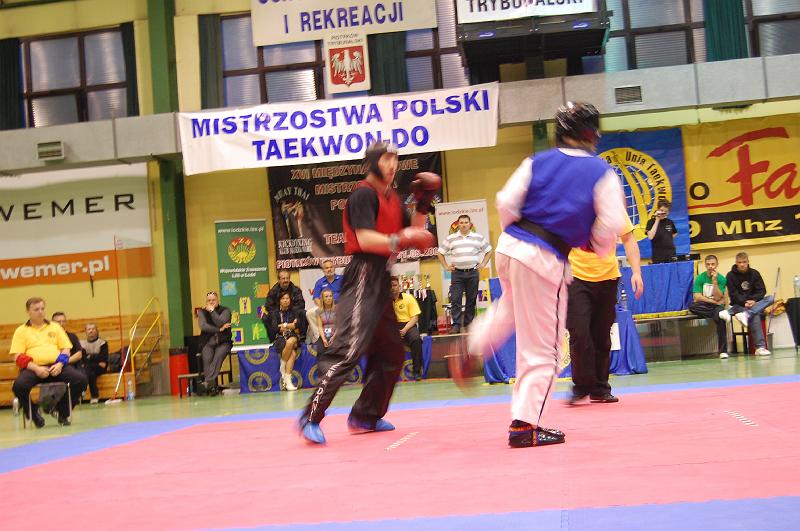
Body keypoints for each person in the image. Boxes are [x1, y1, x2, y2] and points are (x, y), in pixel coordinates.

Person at [468, 102, 626, 448]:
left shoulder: (536, 161)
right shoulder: (601, 172)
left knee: (512, 306)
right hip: (544, 257)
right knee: (544, 349)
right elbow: (609, 224)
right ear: (592, 134)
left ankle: (474, 345)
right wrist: (594, 245)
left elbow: (505, 202)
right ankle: (525, 426)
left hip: (510, 247)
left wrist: (522, 234)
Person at [299, 141, 435, 444]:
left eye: (395, 159)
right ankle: (311, 416)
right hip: (363, 273)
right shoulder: (363, 194)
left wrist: (423, 203)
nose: (393, 164)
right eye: (386, 159)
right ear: (373, 162)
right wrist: (401, 238)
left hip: (383, 277)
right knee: (349, 349)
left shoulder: (393, 199)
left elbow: (415, 233)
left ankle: (366, 415)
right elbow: (364, 239)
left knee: (391, 352)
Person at [567, 217, 644, 404]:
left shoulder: (613, 209)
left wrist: (636, 272)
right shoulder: (571, 206)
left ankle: (600, 388)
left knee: (601, 335)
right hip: (576, 277)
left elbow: (628, 238)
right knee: (579, 332)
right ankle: (581, 386)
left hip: (608, 278)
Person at [10, 297, 88, 427]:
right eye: (36, 309)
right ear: (28, 312)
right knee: (18, 386)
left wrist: (60, 364)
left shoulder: (55, 327)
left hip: (56, 366)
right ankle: (33, 412)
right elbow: (17, 356)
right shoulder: (21, 330)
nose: (40, 312)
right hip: (33, 368)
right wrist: (36, 369)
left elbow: (66, 349)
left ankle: (62, 411)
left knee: (81, 380)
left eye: (42, 308)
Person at [437, 214, 492, 333]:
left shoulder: (478, 237)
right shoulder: (451, 238)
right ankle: (456, 325)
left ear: (470, 224)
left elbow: (489, 251)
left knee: (471, 299)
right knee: (455, 299)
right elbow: (440, 253)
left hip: (473, 272)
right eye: (461, 223)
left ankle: (468, 323)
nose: (463, 225)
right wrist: (446, 266)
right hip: (457, 273)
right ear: (457, 224)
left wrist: (483, 264)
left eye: (466, 222)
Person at [719, 252, 773, 356]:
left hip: (754, 303)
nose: (742, 264)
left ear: (748, 262)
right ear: (736, 263)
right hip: (738, 305)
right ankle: (760, 347)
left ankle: (747, 313)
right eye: (739, 262)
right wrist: (745, 302)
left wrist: (753, 300)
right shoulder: (730, 275)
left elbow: (762, 290)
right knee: (755, 314)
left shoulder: (754, 273)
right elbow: (733, 294)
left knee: (771, 298)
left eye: (744, 262)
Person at [688, 255, 730, 359]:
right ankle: (718, 313)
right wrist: (714, 302)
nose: (710, 266)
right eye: (708, 264)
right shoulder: (700, 278)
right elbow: (697, 297)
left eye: (713, 264)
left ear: (717, 265)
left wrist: (714, 282)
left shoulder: (721, 279)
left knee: (720, 318)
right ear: (705, 265)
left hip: (716, 307)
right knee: (692, 306)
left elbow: (718, 296)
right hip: (707, 305)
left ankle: (723, 351)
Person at [196, 291, 233, 396]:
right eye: (209, 300)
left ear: (218, 301)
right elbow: (203, 326)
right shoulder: (202, 312)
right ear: (206, 302)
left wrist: (212, 312)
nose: (211, 302)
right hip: (207, 342)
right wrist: (219, 329)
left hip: (223, 342)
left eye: (213, 300)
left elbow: (221, 322)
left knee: (218, 356)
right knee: (207, 359)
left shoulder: (225, 311)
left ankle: (207, 384)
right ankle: (211, 386)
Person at [265, 292, 301, 391]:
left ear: (290, 300)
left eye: (287, 298)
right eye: (283, 298)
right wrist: (290, 325)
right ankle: (288, 381)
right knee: (292, 354)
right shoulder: (275, 313)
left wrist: (284, 325)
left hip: (293, 336)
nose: (285, 300)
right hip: (280, 337)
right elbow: (275, 328)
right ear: (279, 301)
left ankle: (283, 365)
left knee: (291, 341)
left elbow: (296, 326)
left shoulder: (294, 311)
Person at [391, 276, 424, 381]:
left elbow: (415, 317)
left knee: (416, 340)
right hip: (392, 326)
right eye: (390, 286)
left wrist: (405, 329)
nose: (392, 288)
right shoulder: (384, 301)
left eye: (395, 285)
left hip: (408, 325)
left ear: (399, 286)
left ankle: (417, 372)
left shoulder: (409, 298)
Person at [265, 269, 307, 337]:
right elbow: (268, 306)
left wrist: (293, 314)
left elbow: (301, 304)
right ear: (279, 280)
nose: (286, 280)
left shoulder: (296, 290)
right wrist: (278, 313)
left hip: (293, 313)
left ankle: (302, 338)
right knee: (266, 317)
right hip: (278, 314)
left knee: (303, 313)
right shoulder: (273, 291)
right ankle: (274, 338)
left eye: (287, 278)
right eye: (283, 278)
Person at [79, 323, 109, 403]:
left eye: (93, 329)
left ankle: (84, 393)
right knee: (90, 372)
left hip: (100, 368)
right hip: (90, 367)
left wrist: (90, 357)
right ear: (86, 331)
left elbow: (103, 359)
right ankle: (94, 395)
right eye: (89, 329)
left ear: (96, 330)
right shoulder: (82, 344)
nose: (91, 331)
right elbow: (83, 359)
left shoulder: (102, 343)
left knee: (87, 369)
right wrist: (95, 357)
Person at [645, 199, 677, 264]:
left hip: (671, 254)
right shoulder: (651, 222)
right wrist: (657, 219)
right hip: (658, 255)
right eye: (662, 210)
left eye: (666, 211)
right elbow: (650, 236)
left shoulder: (670, 222)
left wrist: (667, 240)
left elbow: (675, 233)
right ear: (657, 210)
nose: (663, 213)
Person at [315, 288, 337, 357]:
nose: (329, 298)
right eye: (326, 296)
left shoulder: (338, 309)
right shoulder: (318, 311)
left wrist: (333, 337)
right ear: (322, 299)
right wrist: (324, 339)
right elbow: (320, 326)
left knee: (334, 350)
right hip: (324, 335)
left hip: (336, 335)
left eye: (330, 296)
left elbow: (340, 326)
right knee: (321, 351)